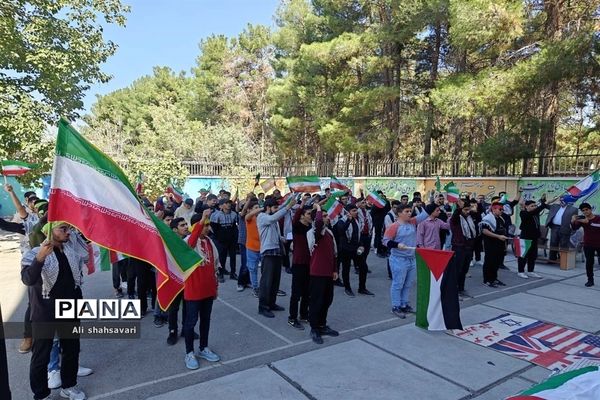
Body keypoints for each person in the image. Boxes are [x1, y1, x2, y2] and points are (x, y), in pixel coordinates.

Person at [21, 222, 87, 400]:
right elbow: (28, 279)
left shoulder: (70, 252)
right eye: (63, 229)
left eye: (69, 229)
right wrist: (40, 257)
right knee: (41, 355)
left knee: (71, 350)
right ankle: (41, 394)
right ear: (49, 231)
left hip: (70, 309)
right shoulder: (34, 253)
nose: (68, 232)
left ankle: (69, 386)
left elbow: (77, 279)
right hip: (45, 313)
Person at [183, 212, 220, 369]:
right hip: (193, 290)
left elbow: (214, 266)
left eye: (208, 224)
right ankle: (189, 353)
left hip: (208, 289)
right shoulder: (187, 242)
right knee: (191, 322)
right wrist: (202, 219)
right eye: (205, 225)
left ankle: (203, 347)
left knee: (206, 320)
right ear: (195, 226)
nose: (208, 228)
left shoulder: (210, 242)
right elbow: (191, 242)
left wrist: (215, 287)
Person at [383, 204, 429, 318]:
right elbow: (385, 241)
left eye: (410, 211)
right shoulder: (394, 226)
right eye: (406, 211)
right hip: (398, 259)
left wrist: (434, 201)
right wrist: (397, 244)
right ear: (399, 213)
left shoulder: (412, 222)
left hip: (411, 259)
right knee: (398, 284)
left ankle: (404, 304)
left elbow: (425, 214)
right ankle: (396, 306)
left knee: (408, 284)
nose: (409, 213)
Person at [257, 197, 295, 318]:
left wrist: (281, 238)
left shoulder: (274, 221)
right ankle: (263, 307)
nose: (276, 210)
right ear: (268, 208)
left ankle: (271, 303)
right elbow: (274, 217)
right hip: (268, 252)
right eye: (274, 208)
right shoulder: (262, 217)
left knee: (275, 281)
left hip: (277, 251)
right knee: (266, 282)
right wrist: (288, 207)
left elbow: (276, 230)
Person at [306, 205, 339, 344]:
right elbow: (318, 225)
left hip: (328, 272)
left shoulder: (330, 233)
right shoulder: (313, 233)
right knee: (316, 301)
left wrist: (335, 270)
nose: (327, 218)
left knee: (327, 299)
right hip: (317, 272)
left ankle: (322, 324)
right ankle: (314, 328)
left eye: (327, 215)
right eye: (324, 216)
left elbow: (334, 254)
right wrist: (318, 208)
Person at [336, 204, 373, 297]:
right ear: (348, 212)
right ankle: (347, 288)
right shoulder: (342, 221)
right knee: (346, 269)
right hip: (345, 249)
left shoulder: (357, 220)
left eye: (356, 210)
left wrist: (361, 245)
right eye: (353, 211)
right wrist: (348, 220)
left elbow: (358, 234)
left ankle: (362, 288)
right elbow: (341, 231)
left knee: (363, 267)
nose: (356, 213)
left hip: (356, 249)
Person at [288, 201, 313, 330]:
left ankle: (303, 314)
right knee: (296, 293)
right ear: (302, 216)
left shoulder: (311, 228)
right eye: (308, 214)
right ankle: (292, 318)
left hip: (309, 263)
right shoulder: (297, 227)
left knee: (307, 292)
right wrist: (302, 204)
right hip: (298, 264)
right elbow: (296, 216)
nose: (310, 216)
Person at [449, 198, 478, 297]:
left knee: (465, 270)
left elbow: (478, 213)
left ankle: (461, 288)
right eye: (465, 210)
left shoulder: (469, 218)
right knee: (457, 270)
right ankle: (453, 290)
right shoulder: (456, 219)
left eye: (468, 209)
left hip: (468, 247)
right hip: (459, 247)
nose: (468, 211)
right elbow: (455, 215)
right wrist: (459, 208)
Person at [516, 197, 549, 279]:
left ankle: (530, 271)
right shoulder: (523, 213)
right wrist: (543, 205)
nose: (534, 207)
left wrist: (543, 203)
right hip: (525, 237)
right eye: (532, 206)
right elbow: (535, 210)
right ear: (526, 207)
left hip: (534, 237)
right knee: (523, 255)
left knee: (532, 255)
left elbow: (537, 216)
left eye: (534, 205)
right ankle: (520, 271)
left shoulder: (535, 213)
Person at [480, 203, 509, 288]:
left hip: (500, 244)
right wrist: (498, 236)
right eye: (500, 209)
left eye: (502, 209)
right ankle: (487, 280)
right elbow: (484, 231)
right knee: (489, 262)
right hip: (490, 244)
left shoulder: (500, 218)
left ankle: (494, 278)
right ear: (494, 209)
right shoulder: (487, 218)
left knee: (496, 262)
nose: (502, 211)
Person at [571, 203, 600, 287]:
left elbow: (597, 226)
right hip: (588, 244)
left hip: (599, 244)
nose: (585, 212)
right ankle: (590, 280)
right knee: (589, 263)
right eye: (583, 210)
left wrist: (588, 223)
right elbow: (574, 228)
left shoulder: (598, 218)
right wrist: (573, 221)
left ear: (590, 209)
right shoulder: (582, 219)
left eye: (587, 209)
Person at [210, 199, 239, 282]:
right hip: (221, 239)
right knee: (222, 257)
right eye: (226, 203)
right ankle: (220, 273)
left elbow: (235, 226)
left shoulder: (234, 214)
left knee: (233, 256)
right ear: (221, 205)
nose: (229, 205)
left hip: (232, 239)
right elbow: (213, 227)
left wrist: (235, 236)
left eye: (229, 203)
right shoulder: (216, 215)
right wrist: (218, 237)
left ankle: (233, 273)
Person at [546, 196, 578, 260]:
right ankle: (552, 258)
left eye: (563, 200)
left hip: (565, 228)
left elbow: (574, 221)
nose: (561, 202)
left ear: (568, 202)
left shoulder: (573, 209)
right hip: (554, 227)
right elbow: (545, 205)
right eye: (560, 200)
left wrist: (572, 228)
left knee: (564, 245)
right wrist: (550, 201)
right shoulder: (555, 206)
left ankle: (563, 260)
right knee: (553, 243)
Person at [245, 199, 262, 297]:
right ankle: (255, 288)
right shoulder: (249, 218)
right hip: (251, 247)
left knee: (265, 269)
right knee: (253, 269)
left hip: (263, 247)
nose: (258, 209)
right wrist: (262, 208)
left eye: (258, 207)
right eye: (255, 208)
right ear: (250, 210)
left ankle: (264, 286)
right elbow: (247, 216)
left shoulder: (262, 217)